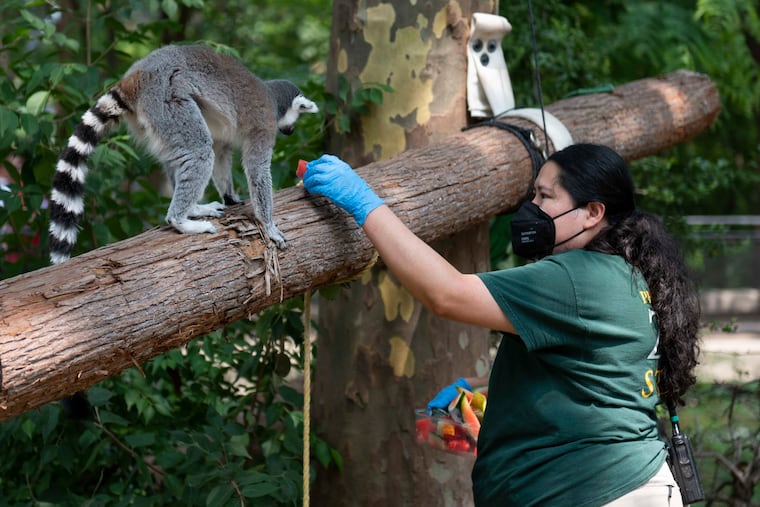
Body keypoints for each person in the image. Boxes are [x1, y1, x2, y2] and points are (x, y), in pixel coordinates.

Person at [301, 143, 700, 506]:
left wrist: (361, 201)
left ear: (593, 213)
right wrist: (492, 406)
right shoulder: (627, 277)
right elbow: (598, 380)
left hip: (599, 492)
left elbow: (446, 294)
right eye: (533, 194)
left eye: (545, 197)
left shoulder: (579, 276)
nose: (532, 207)